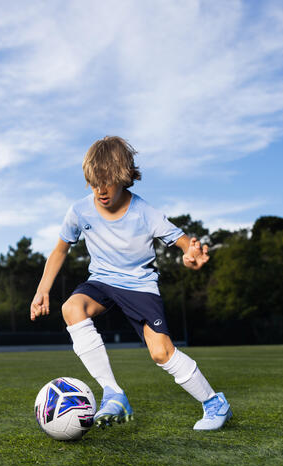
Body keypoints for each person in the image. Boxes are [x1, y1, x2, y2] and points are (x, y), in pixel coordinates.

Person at [30, 136, 232, 431]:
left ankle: (215, 403)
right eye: (94, 181)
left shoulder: (145, 213)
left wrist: (190, 253)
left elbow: (183, 240)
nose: (100, 189)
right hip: (101, 281)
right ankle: (113, 393)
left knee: (161, 352)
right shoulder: (79, 211)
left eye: (107, 181)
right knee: (72, 308)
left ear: (124, 177)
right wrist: (42, 289)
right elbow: (60, 249)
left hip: (139, 286)